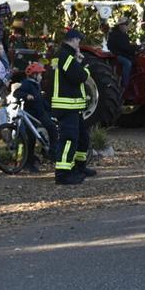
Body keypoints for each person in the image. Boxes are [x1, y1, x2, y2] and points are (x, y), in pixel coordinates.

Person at [49, 29, 96, 185]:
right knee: (69, 139)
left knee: (82, 138)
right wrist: (86, 67)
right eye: (78, 41)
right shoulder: (65, 56)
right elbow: (80, 76)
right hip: (67, 105)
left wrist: (78, 62)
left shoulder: (64, 56)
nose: (79, 44)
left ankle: (78, 167)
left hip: (72, 106)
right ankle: (63, 174)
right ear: (73, 40)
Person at [13, 62, 57, 173]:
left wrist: (53, 110)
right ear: (34, 75)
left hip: (40, 113)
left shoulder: (36, 85)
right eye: (40, 74)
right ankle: (29, 163)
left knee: (51, 128)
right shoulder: (27, 83)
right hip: (33, 114)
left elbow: (41, 101)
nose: (41, 76)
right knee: (31, 139)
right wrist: (26, 95)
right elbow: (17, 93)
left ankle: (50, 151)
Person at [106, 17, 136, 92]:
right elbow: (124, 47)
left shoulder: (123, 35)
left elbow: (126, 46)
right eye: (126, 24)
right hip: (116, 55)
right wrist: (136, 48)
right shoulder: (115, 34)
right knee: (127, 63)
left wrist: (136, 47)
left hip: (122, 54)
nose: (127, 26)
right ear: (121, 25)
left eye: (127, 24)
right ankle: (125, 85)